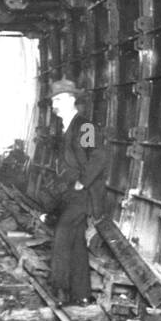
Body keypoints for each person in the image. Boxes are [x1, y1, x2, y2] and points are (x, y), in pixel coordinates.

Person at [47, 78, 108, 305]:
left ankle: (59, 290)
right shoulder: (65, 128)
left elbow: (99, 156)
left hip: (84, 194)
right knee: (76, 243)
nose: (55, 104)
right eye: (53, 99)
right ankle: (82, 294)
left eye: (60, 99)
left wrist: (83, 181)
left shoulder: (84, 126)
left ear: (72, 100)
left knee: (62, 234)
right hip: (70, 193)